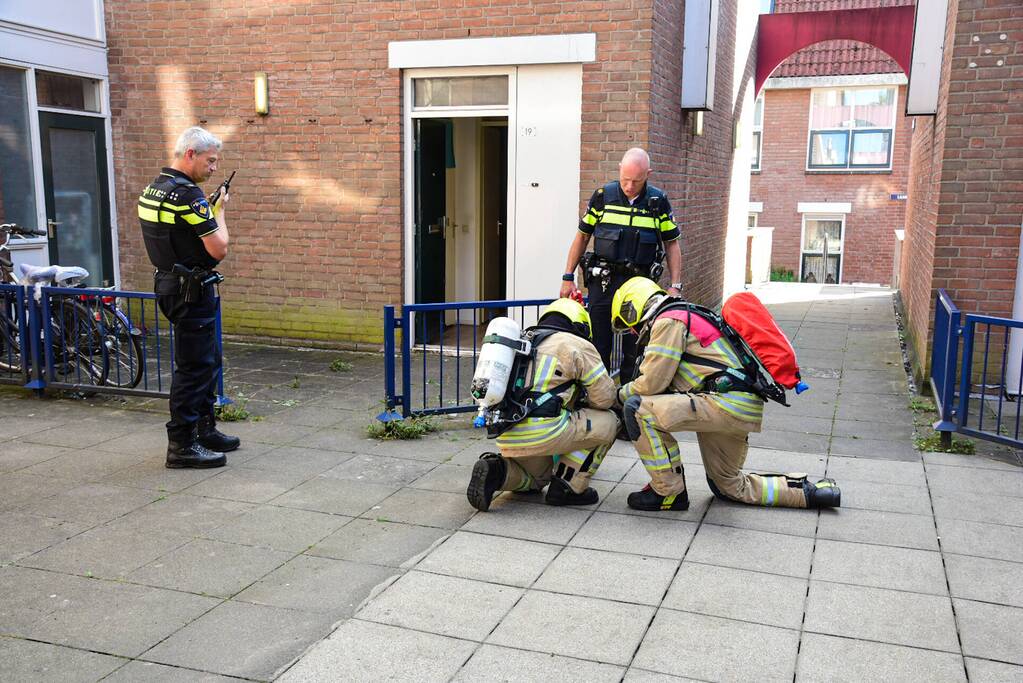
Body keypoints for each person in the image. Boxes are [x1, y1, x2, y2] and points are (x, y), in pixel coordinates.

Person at [610, 276, 841, 511]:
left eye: (628, 322)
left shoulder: (668, 321)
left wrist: (617, 395)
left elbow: (651, 383)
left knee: (637, 408)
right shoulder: (687, 315)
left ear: (635, 307)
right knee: (728, 486)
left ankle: (668, 492)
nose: (631, 330)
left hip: (721, 403)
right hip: (739, 405)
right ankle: (813, 493)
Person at [138, 127, 239, 469]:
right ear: (190, 154)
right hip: (191, 290)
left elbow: (174, 235)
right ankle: (182, 445)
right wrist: (218, 211)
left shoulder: (154, 189)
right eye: (210, 161)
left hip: (168, 283)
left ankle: (204, 429)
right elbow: (218, 248)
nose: (214, 168)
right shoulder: (190, 196)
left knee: (208, 359)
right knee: (195, 368)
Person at [466, 298, 619, 511]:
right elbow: (604, 398)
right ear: (581, 326)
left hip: (506, 431)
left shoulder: (524, 340)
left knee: (536, 478)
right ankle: (567, 487)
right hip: (545, 431)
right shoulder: (577, 344)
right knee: (610, 422)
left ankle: (497, 471)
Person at [560, 148, 683, 381]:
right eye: (625, 179)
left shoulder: (657, 202)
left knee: (634, 349)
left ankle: (628, 403)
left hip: (640, 289)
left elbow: (672, 244)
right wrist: (568, 278)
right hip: (604, 283)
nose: (629, 186)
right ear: (619, 170)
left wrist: (675, 285)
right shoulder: (602, 196)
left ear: (648, 174)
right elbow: (582, 237)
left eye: (636, 181)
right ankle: (598, 401)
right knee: (598, 345)